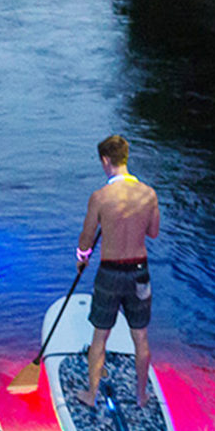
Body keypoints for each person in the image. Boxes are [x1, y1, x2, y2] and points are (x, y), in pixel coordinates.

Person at [75, 134, 161, 408]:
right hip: (139, 272)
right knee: (141, 336)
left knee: (100, 335)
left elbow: (87, 238)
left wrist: (82, 257)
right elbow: (154, 232)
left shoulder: (100, 197)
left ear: (105, 160)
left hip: (110, 272)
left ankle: (91, 394)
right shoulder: (149, 194)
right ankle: (141, 395)